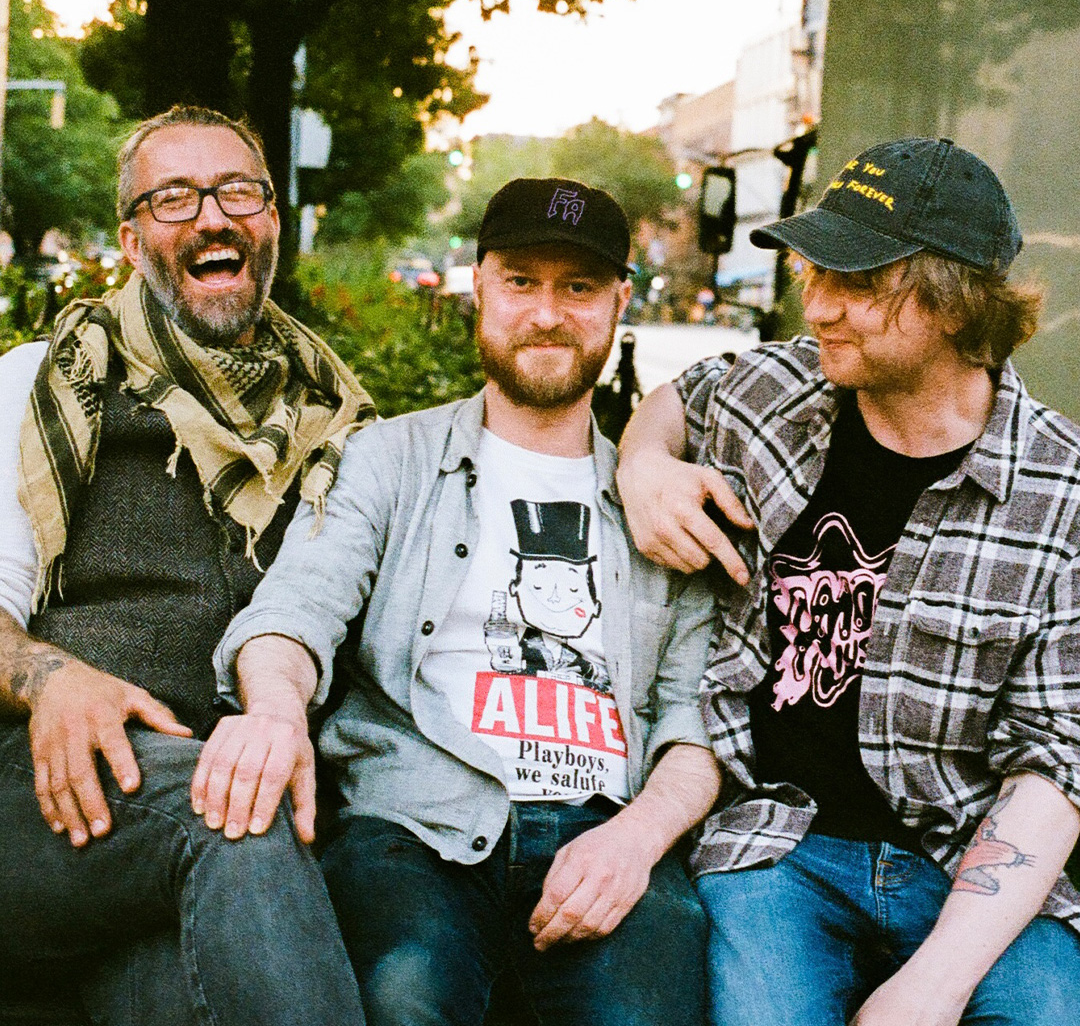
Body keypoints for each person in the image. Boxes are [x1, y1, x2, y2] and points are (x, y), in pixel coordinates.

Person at [212, 177, 720, 1026]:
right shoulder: (388, 460)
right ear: (479, 285)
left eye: (579, 286)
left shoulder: (663, 504)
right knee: (404, 995)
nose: (547, 313)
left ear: (621, 301)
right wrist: (273, 710)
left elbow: (699, 720)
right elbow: (296, 610)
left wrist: (639, 840)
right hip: (413, 825)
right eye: (521, 281)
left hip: (606, 829)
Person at [616, 137, 1080, 1026]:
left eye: (858, 283)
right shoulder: (775, 393)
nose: (819, 305)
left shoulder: (1059, 491)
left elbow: (1055, 765)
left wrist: (934, 985)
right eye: (815, 272)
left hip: (970, 858)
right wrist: (645, 465)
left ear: (955, 302)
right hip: (779, 847)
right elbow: (676, 400)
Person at [0, 105, 372, 1026]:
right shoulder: (38, 387)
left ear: (272, 221)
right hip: (48, 790)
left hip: (234, 827)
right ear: (131, 241)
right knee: (235, 811)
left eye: (237, 192)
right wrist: (51, 678)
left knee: (172, 983)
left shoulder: (338, 423)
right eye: (173, 199)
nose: (212, 217)